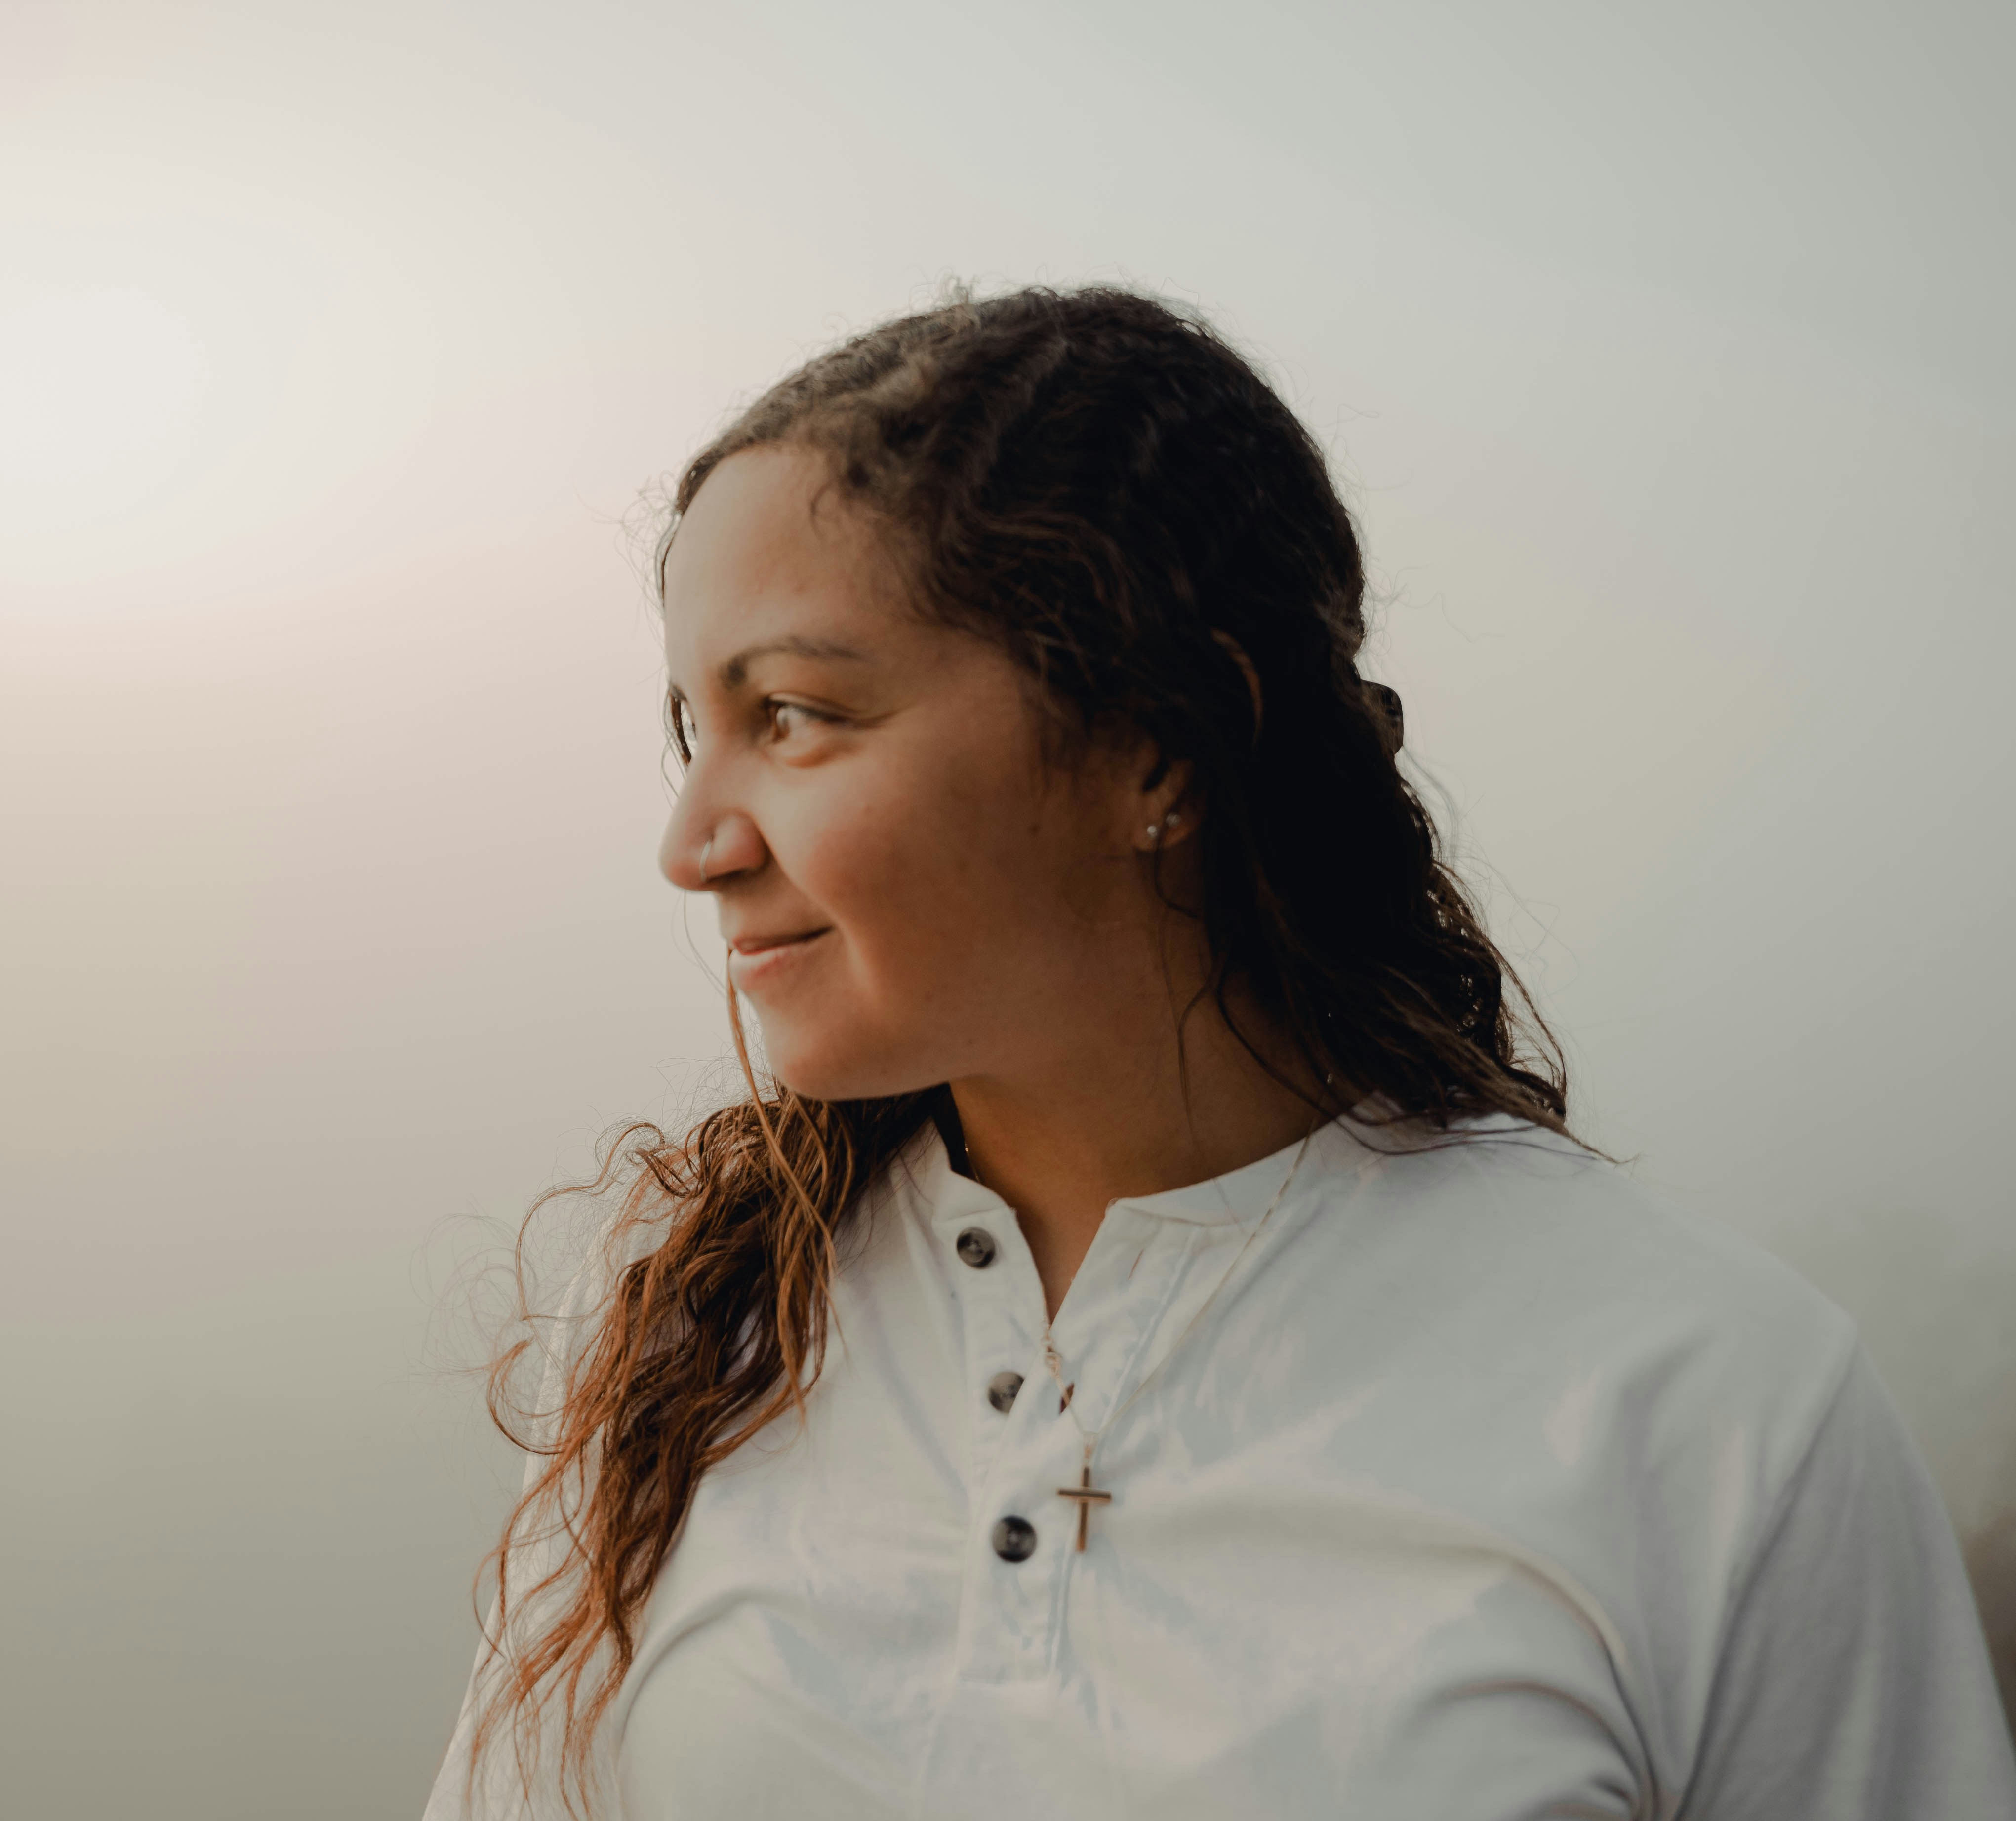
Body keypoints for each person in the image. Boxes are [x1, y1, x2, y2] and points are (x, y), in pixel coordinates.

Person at [424, 286, 2016, 1819]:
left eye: (792, 716)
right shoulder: (691, 1312)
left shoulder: (1705, 1402)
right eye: (691, 732)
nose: (692, 842)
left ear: (1159, 747)